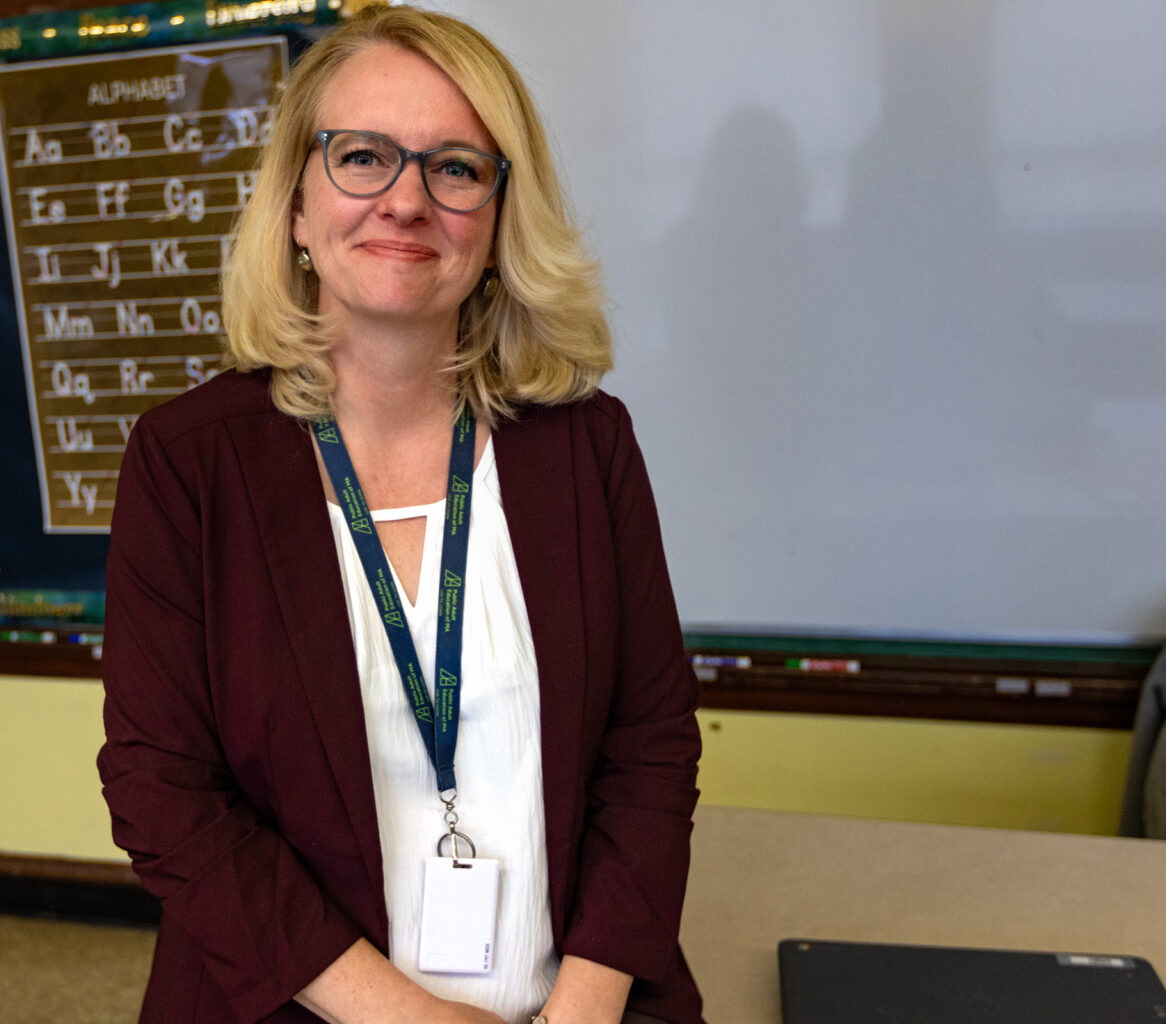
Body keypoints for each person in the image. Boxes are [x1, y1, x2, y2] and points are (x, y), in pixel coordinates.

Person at [97, 7, 703, 1022]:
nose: (406, 202)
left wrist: (589, 1001)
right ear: (296, 201)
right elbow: (165, 792)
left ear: (502, 214)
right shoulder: (189, 461)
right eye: (364, 156)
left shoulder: (586, 444)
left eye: (456, 167)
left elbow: (651, 743)